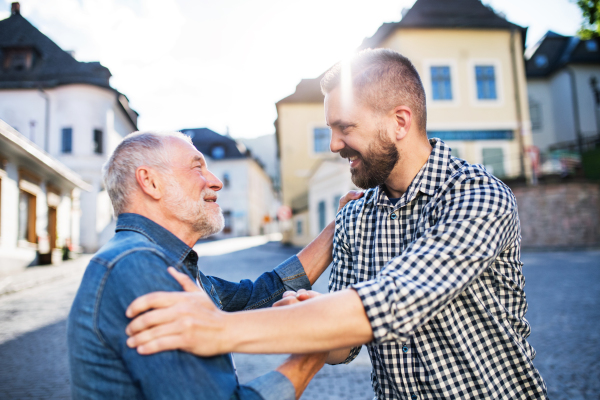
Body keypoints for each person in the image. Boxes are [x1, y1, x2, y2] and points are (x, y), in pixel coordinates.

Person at [125, 49, 548, 399]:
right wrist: (310, 315)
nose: (334, 145)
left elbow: (398, 299)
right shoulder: (356, 217)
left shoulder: (477, 196)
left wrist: (220, 331)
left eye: (345, 128)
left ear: (399, 122)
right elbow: (345, 347)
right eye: (331, 129)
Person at [67, 130, 360, 400]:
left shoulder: (171, 265)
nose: (216, 181)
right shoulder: (138, 266)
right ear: (150, 182)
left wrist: (338, 227)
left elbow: (264, 293)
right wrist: (315, 346)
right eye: (197, 168)